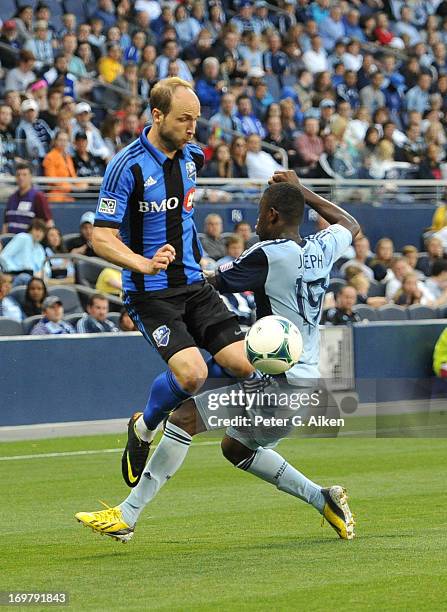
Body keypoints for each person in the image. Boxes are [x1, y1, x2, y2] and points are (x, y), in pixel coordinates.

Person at [76, 171, 359, 542]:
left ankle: (126, 515)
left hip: (279, 382)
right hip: (308, 385)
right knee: (236, 447)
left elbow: (206, 285)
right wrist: (301, 191)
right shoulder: (323, 246)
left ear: (272, 215)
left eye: (259, 213)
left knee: (184, 417)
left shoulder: (266, 255)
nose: (255, 222)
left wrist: (152, 269)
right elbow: (350, 224)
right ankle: (322, 498)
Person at [88, 77, 253, 489]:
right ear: (157, 115)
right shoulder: (126, 166)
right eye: (183, 119)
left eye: (195, 119)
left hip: (194, 285)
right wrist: (142, 263)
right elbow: (101, 236)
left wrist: (201, 260)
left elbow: (184, 218)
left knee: (244, 364)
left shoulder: (191, 156)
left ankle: (191, 425)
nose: (192, 128)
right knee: (193, 374)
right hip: (151, 293)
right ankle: (145, 427)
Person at [3, 163, 53, 234]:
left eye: (24, 175)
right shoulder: (11, 198)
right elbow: (6, 224)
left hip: (29, 242)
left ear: (30, 177)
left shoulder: (38, 196)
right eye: (18, 175)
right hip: (11, 242)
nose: (21, 178)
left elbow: (48, 223)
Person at [0, 218, 46, 286]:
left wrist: (42, 274)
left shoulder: (40, 248)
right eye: (37, 230)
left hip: (35, 279)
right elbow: (3, 257)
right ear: (30, 230)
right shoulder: (23, 237)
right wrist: (15, 272)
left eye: (42, 231)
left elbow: (45, 267)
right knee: (25, 277)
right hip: (15, 276)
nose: (39, 233)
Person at [42, 130, 78, 202]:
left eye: (65, 140)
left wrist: (78, 185)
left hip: (70, 190)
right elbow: (51, 179)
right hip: (56, 192)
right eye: (60, 140)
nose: (63, 143)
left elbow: (73, 175)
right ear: (55, 141)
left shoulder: (68, 156)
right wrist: (69, 186)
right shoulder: (50, 157)